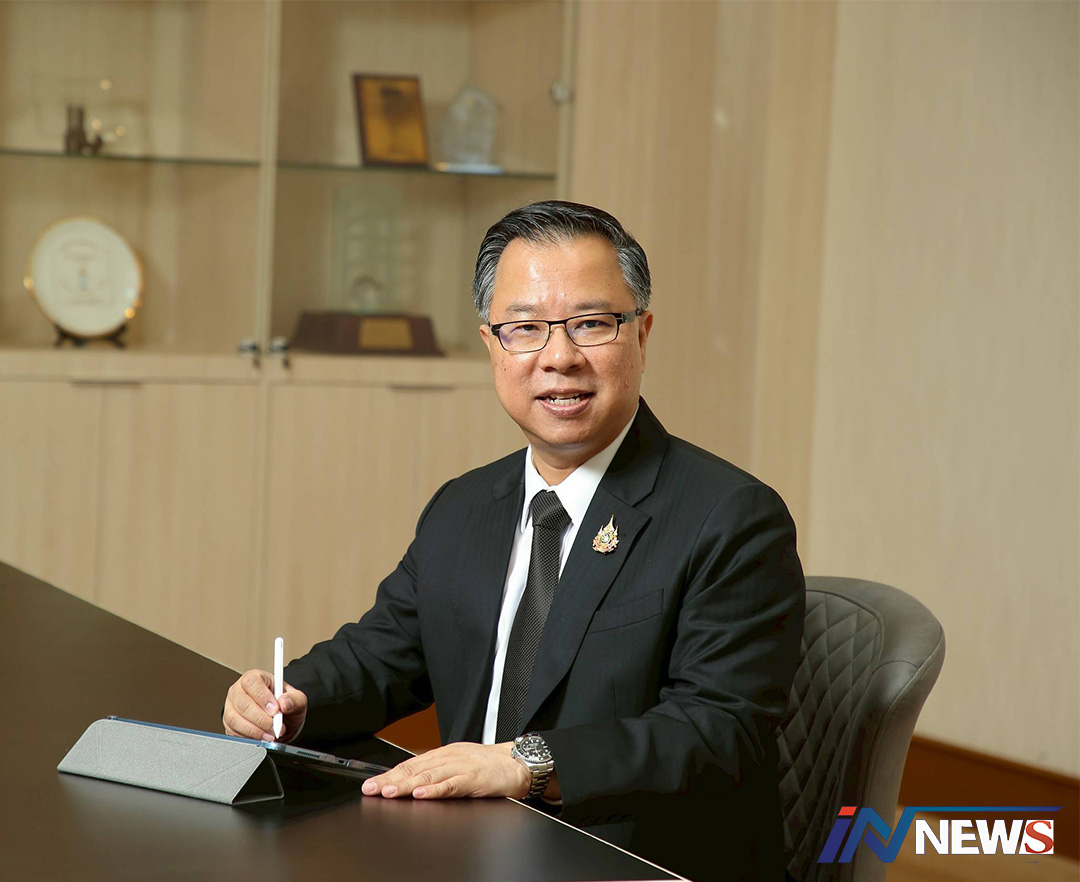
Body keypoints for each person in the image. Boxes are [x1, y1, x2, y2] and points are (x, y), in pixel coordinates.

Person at [223, 200, 805, 881]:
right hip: (471, 851)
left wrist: (525, 764)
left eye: (591, 324)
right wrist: (290, 699)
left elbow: (720, 730)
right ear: (492, 346)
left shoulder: (730, 516)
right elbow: (383, 653)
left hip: (631, 859)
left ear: (642, 334)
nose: (559, 358)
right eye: (525, 329)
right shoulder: (465, 506)